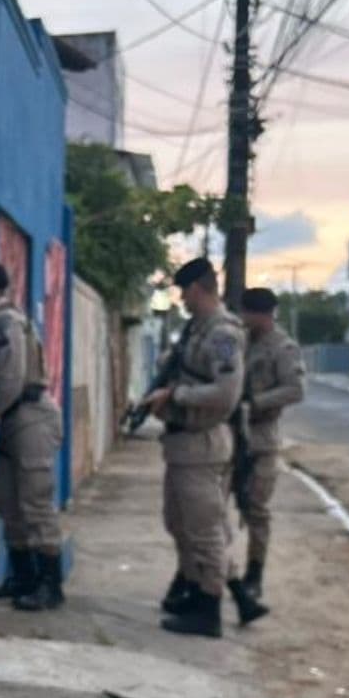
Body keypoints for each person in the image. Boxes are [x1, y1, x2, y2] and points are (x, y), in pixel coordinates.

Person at [138, 258, 264, 636]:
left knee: (205, 529)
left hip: (202, 444)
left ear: (197, 289)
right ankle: (194, 590)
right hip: (183, 444)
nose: (182, 299)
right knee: (180, 524)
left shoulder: (223, 334)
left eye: (184, 292)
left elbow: (226, 392)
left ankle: (209, 608)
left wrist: (175, 394)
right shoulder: (197, 330)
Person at [0, 261, 66, 611]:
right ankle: (22, 576)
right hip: (14, 419)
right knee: (8, 503)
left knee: (36, 504)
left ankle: (50, 584)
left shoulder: (8, 322)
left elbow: (11, 380)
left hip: (30, 416)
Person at [236, 288, 307, 605]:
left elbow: (294, 390)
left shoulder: (283, 347)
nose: (243, 319)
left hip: (262, 440)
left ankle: (254, 576)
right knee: (211, 508)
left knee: (257, 510)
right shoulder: (240, 341)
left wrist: (255, 402)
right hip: (232, 437)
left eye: (248, 313)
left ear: (262, 314)